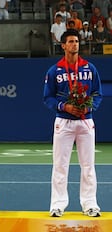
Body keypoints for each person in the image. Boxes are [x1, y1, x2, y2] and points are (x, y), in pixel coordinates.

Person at [43, 29, 103, 218]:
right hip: (64, 121)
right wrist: (64, 106)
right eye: (70, 41)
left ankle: (90, 204)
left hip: (86, 121)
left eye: (76, 41)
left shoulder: (89, 68)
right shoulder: (55, 71)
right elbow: (48, 98)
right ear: (63, 45)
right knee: (60, 165)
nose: (74, 44)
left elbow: (97, 94)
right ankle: (57, 205)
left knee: (88, 165)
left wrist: (89, 107)